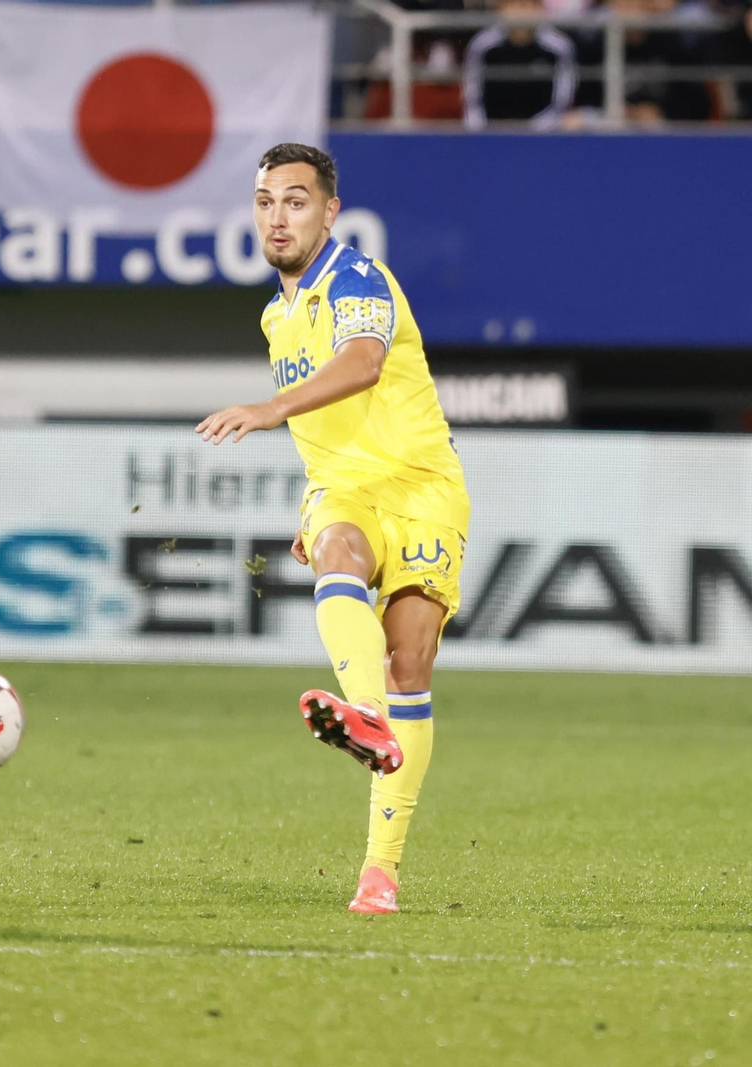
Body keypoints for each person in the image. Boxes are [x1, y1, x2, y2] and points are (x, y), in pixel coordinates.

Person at [195, 144, 470, 916]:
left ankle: (380, 870)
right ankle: (367, 720)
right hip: (343, 488)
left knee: (410, 662)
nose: (276, 216)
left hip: (424, 489)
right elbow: (330, 417)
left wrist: (265, 409)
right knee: (337, 553)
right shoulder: (276, 314)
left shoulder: (356, 279)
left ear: (328, 211)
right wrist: (311, 501)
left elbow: (361, 364)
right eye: (264, 201)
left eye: (294, 200)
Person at [463, 0, 579, 128]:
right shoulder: (482, 46)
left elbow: (561, 101)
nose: (520, 13)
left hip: (543, 133)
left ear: (540, 10)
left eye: (527, 6)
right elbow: (473, 98)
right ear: (500, 10)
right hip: (492, 132)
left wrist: (532, 131)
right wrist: (481, 130)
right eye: (513, 5)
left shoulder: (559, 47)